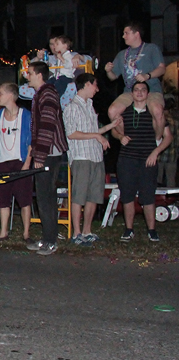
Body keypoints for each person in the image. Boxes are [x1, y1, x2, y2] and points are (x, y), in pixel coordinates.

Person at [62, 73, 121, 245]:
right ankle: (77, 233)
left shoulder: (90, 106)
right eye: (95, 85)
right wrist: (96, 136)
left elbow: (94, 132)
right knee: (79, 195)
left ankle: (87, 231)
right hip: (81, 157)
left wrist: (111, 126)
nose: (97, 89)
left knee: (93, 196)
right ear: (87, 84)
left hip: (96, 156)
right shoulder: (72, 107)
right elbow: (72, 134)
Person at [111, 81, 173, 242]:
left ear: (148, 94)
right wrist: (120, 136)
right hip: (127, 159)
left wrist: (155, 152)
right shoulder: (124, 113)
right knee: (128, 195)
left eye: (143, 90)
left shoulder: (154, 115)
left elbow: (168, 137)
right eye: (136, 90)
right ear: (131, 94)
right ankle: (128, 229)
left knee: (148, 196)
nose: (139, 93)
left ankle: (152, 230)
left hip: (148, 159)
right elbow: (113, 130)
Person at [27, 61, 68, 256]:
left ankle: (51, 241)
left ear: (38, 74)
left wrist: (40, 155)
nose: (27, 76)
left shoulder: (48, 93)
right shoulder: (41, 94)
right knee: (44, 197)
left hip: (49, 153)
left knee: (46, 197)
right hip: (46, 152)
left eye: (29, 73)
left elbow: (47, 125)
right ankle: (47, 238)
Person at [0, 83, 33, 243]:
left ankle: (26, 233)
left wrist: (28, 161)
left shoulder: (25, 115)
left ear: (11, 96)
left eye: (1, 93)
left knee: (24, 198)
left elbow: (30, 140)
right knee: (2, 198)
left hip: (19, 161)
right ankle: (3, 232)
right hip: (2, 162)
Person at [105, 22, 166, 140]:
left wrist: (147, 76)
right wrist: (108, 71)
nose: (123, 36)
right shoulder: (122, 54)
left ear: (136, 34)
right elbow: (113, 77)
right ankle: (127, 138)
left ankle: (157, 140)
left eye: (126, 33)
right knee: (112, 111)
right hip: (130, 91)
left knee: (157, 110)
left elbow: (162, 68)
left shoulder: (151, 48)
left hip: (151, 90)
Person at [157, 96, 178, 187]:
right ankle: (171, 200)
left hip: (158, 155)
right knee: (171, 180)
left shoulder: (158, 121)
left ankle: (156, 199)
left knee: (156, 180)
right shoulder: (176, 122)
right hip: (172, 155)